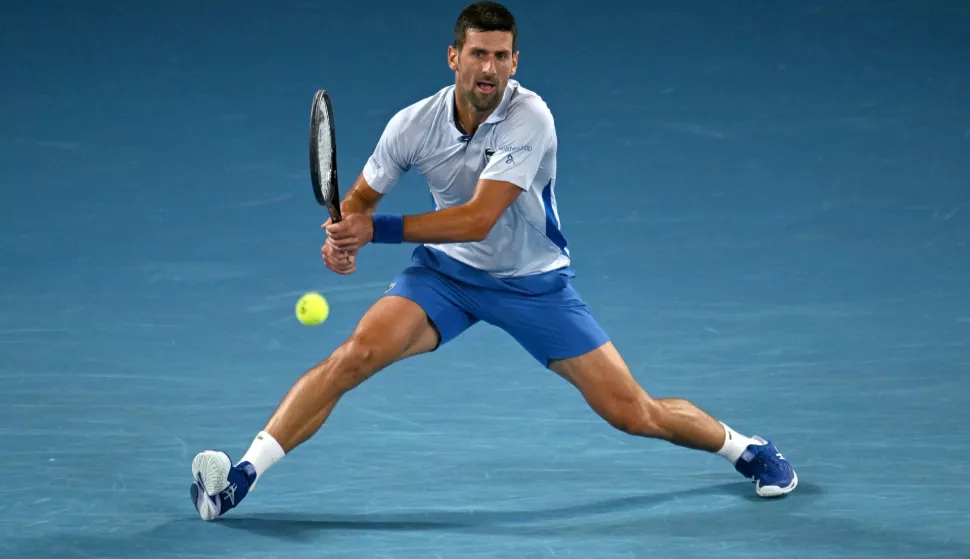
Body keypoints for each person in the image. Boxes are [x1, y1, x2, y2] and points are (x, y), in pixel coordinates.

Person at [189, 0, 797, 521]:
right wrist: (342, 233)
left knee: (632, 413)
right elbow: (362, 197)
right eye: (479, 54)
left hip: (533, 286)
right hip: (446, 277)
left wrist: (372, 231)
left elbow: (479, 217)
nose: (490, 68)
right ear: (453, 57)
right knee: (353, 357)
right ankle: (239, 478)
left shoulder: (529, 117)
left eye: (502, 56)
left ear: (515, 63)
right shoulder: (412, 124)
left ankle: (744, 448)